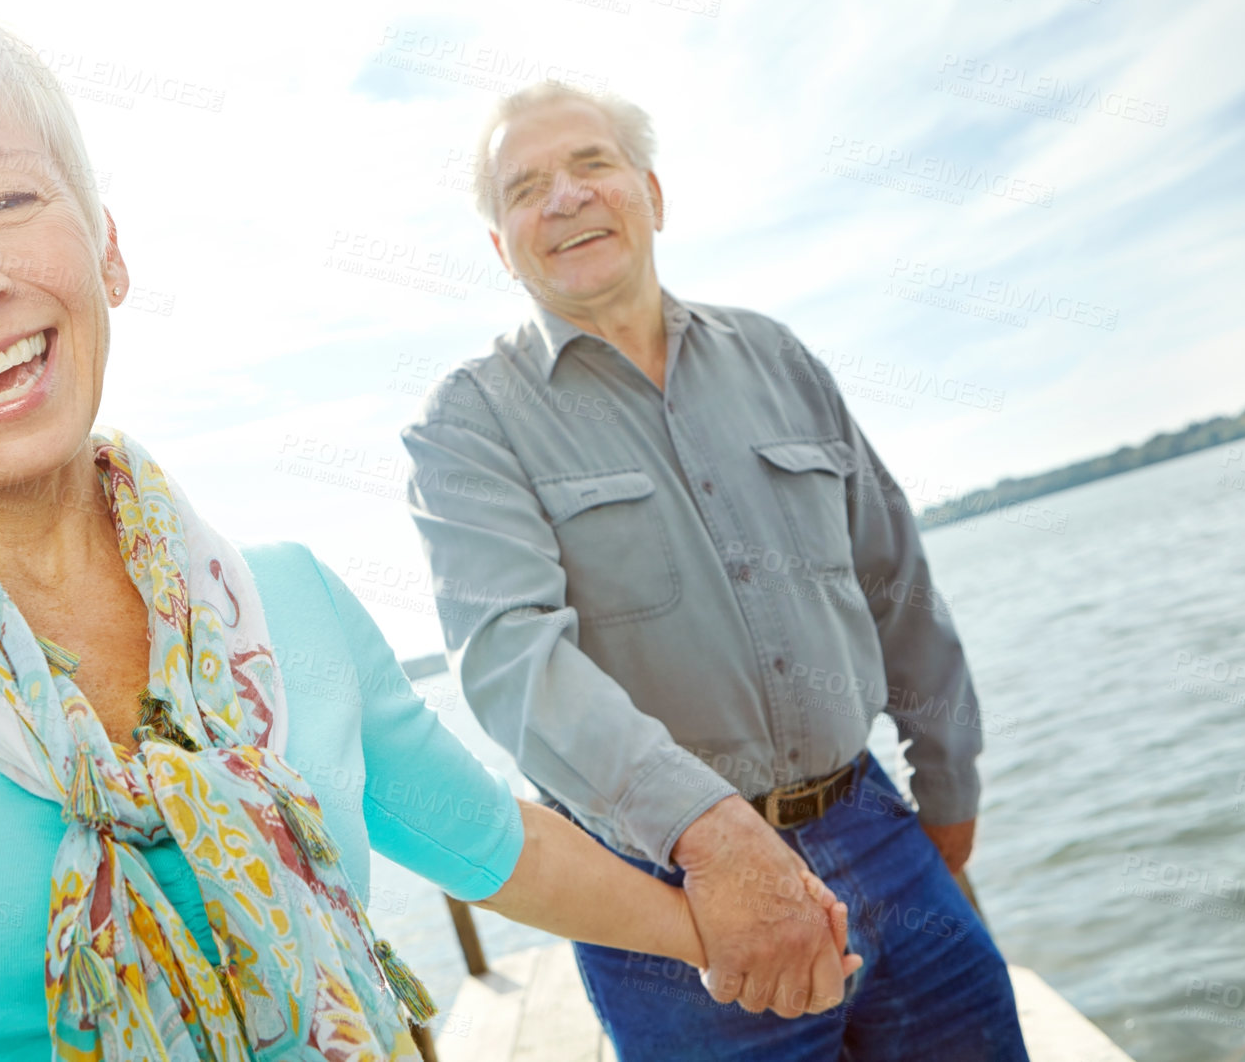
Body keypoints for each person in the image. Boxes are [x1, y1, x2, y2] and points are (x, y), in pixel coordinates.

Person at [0, 3, 858, 1062]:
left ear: (108, 249)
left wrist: (722, 917)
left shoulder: (288, 601)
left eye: (6, 202)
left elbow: (487, 841)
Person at [400, 81, 1029, 1060]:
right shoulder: (469, 422)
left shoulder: (776, 356)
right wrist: (712, 835)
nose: (563, 196)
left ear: (651, 194)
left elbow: (895, 579)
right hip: (667, 897)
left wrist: (948, 789)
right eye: (525, 187)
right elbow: (511, 661)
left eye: (592, 164)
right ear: (499, 244)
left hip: (880, 833)